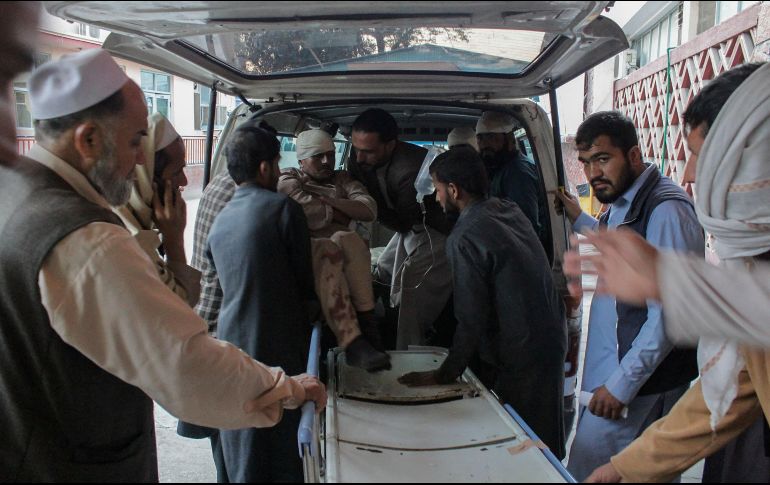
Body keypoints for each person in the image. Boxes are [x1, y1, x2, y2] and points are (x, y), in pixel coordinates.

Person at [0, 48, 325, 482]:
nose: (140, 159)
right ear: (88, 140)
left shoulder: (15, 191)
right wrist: (287, 388)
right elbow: (183, 362)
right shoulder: (86, 238)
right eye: (136, 140)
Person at [577, 62, 770, 484]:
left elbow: (667, 321)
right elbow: (729, 388)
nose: (690, 174)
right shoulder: (752, 259)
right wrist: (623, 469)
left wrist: (679, 286)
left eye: (704, 157)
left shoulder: (666, 209)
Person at [551, 111, 704, 481]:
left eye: (603, 159)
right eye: (586, 162)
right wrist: (580, 219)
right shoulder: (627, 200)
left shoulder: (666, 211)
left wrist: (622, 385)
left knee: (593, 469)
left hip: (642, 383)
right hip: (614, 370)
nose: (593, 173)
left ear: (633, 155)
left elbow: (669, 315)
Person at [399, 146, 568, 457]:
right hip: (550, 336)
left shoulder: (464, 237)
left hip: (520, 350)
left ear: (454, 190)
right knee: (545, 431)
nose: (436, 197)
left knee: (525, 443)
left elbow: (471, 318)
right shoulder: (507, 209)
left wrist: (445, 373)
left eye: (437, 189)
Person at [207, 124, 321, 482]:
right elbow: (304, 284)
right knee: (282, 434)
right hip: (278, 337)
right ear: (265, 167)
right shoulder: (283, 209)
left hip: (232, 340)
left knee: (245, 432)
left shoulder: (220, 220)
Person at [278, 129, 390, 371]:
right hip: (310, 260)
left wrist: (330, 202)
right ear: (301, 160)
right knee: (334, 241)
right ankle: (358, 335)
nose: (326, 161)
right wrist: (342, 213)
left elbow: (368, 209)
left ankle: (368, 329)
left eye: (330, 154)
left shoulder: (342, 179)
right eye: (318, 156)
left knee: (346, 238)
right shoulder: (289, 177)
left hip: (346, 258)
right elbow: (301, 207)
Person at [349, 108, 453, 350]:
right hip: (408, 227)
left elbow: (403, 221)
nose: (359, 158)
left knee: (410, 296)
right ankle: (374, 323)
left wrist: (365, 208)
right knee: (383, 270)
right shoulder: (360, 158)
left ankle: (407, 350)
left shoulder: (411, 168)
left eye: (368, 151)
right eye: (356, 148)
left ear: (390, 145)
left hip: (436, 232)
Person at [113, 112, 200, 306]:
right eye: (176, 172)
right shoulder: (132, 241)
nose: (184, 181)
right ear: (146, 178)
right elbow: (179, 309)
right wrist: (174, 241)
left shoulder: (130, 220)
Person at [475, 111, 543, 242]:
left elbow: (524, 227)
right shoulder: (500, 167)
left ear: (510, 139)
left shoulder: (518, 173)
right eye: (480, 138)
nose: (484, 144)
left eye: (491, 137)